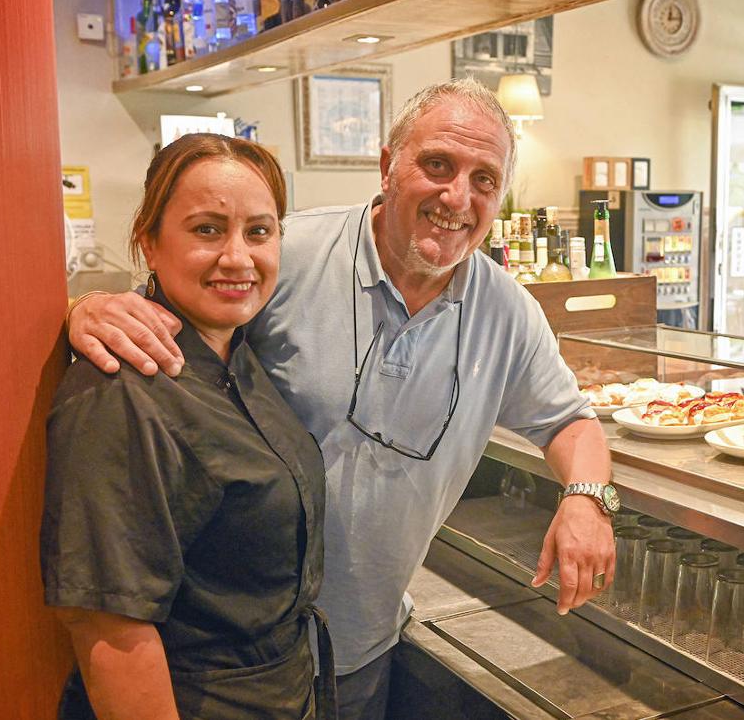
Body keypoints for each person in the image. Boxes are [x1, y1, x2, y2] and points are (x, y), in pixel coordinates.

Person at [66, 79, 616, 719]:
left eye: (484, 179)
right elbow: (161, 311)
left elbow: (570, 421)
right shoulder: (283, 253)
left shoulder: (508, 312)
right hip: (216, 661)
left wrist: (587, 500)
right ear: (388, 166)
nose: (456, 196)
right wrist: (84, 307)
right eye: (437, 164)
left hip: (359, 652)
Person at [42, 134, 333, 718]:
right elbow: (110, 625)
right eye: (206, 229)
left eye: (259, 231)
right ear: (149, 242)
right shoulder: (121, 390)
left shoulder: (239, 353)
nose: (238, 257)